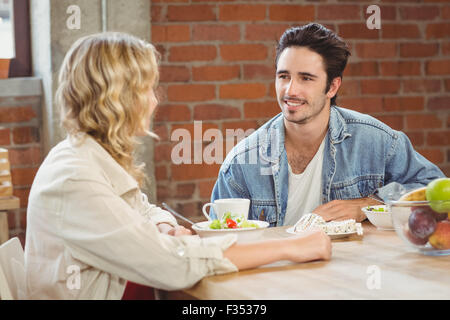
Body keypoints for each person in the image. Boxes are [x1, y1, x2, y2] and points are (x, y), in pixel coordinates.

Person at [23, 32, 331, 300]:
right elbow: (172, 265)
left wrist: (165, 227)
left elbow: (141, 210)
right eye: (147, 89)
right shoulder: (74, 177)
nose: (154, 102)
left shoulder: (88, 157)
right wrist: (292, 248)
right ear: (117, 97)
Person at [211, 23, 444, 227]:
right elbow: (219, 243)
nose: (290, 90)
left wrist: (368, 204)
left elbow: (434, 189)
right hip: (277, 275)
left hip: (353, 272)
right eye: (283, 76)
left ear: (332, 87)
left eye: (306, 78)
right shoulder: (241, 163)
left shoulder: (376, 141)